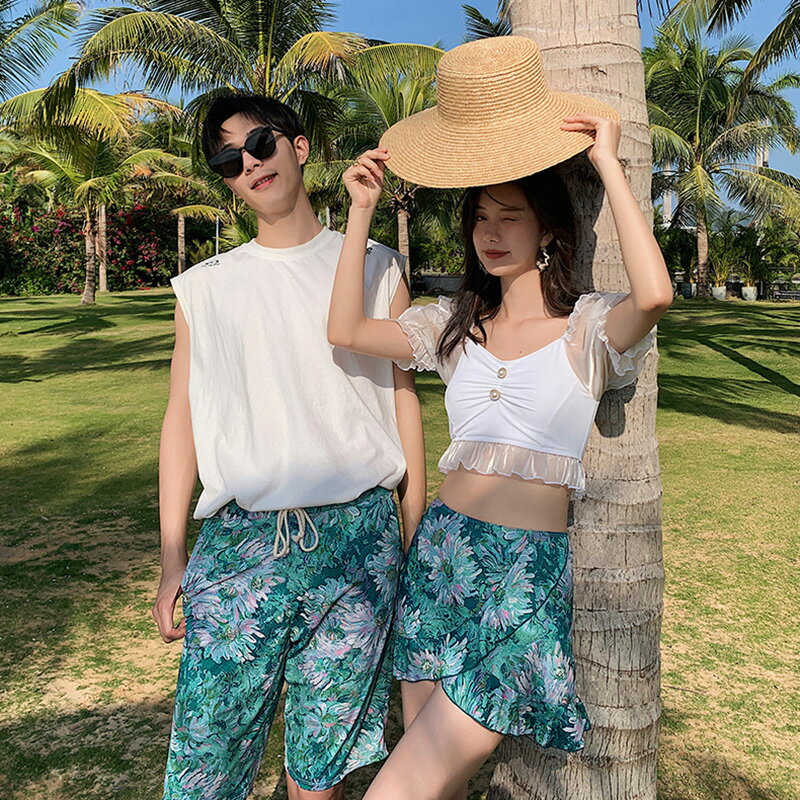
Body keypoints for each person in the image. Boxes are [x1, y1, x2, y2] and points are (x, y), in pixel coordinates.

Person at [327, 36, 673, 800]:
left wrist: (609, 166)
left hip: (522, 578)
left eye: (509, 217)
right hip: (442, 558)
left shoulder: (586, 329)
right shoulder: (453, 325)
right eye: (480, 217)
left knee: (398, 790)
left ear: (547, 228)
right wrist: (360, 212)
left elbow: (655, 295)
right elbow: (345, 330)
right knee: (434, 788)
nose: (489, 232)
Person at [152, 94, 426, 800]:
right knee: (206, 762)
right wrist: (173, 554)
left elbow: (403, 399)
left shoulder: (378, 266)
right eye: (228, 159)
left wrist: (413, 530)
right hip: (243, 544)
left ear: (299, 148)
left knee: (320, 765)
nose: (248, 163)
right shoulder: (204, 288)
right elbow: (182, 416)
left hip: (359, 540)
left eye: (260, 143)